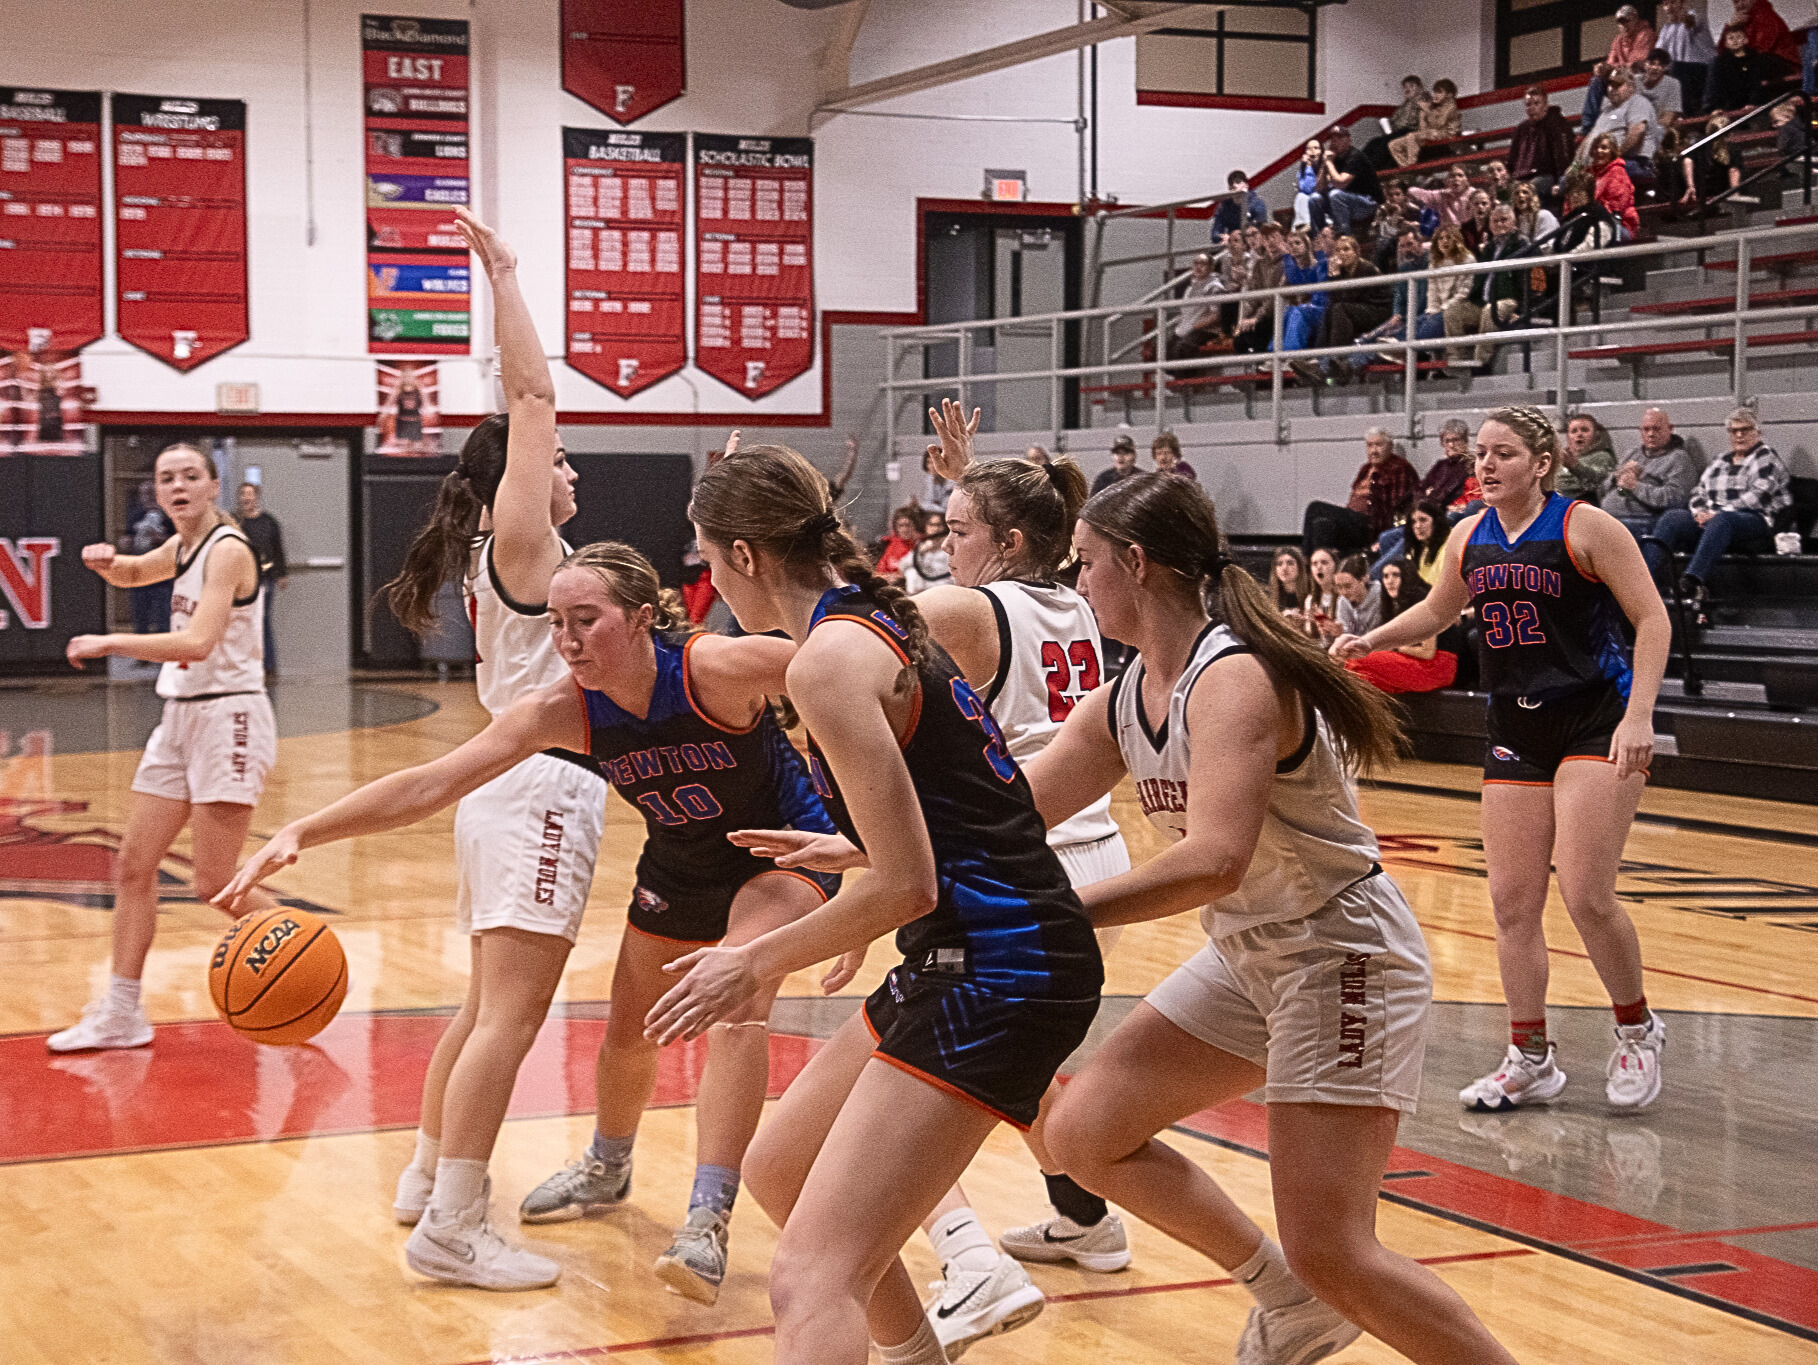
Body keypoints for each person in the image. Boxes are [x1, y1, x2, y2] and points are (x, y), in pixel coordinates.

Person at [222, 540, 842, 1299]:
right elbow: (432, 783)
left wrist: (869, 831)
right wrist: (303, 830)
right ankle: (608, 1163)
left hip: (786, 852)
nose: (568, 640)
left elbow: (853, 663)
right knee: (630, 1031)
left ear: (641, 618)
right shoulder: (564, 709)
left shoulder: (713, 667)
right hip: (680, 866)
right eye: (555, 623)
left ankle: (706, 1217)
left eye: (587, 619)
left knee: (735, 997)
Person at [1032, 473, 1519, 1365]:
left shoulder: (1234, 679)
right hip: (1251, 952)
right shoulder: (1127, 694)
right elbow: (1008, 813)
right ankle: (1290, 1302)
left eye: (1086, 562)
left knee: (1336, 1248)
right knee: (1081, 1133)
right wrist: (871, 850)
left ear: (1136, 563)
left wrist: (1056, 913)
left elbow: (1213, 858)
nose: (1077, 581)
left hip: (1339, 952)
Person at [647, 443, 1103, 1365]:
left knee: (809, 1276)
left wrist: (750, 960)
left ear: (745, 555)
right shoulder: (865, 622)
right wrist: (852, 846)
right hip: (972, 946)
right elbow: (966, 809)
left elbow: (909, 884)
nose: (709, 580)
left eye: (709, 557)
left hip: (1001, 962)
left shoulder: (830, 659)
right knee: (781, 1167)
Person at [246, 207, 611, 1291]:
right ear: (518, 477)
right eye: (560, 461)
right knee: (513, 1015)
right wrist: (506, 277)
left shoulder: (516, 552)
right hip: (538, 790)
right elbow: (533, 397)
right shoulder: (527, 541)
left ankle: (422, 1176)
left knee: (481, 1008)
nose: (571, 471)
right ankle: (453, 1224)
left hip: (506, 788)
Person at [880, 403, 1134, 1355]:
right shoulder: (1072, 599)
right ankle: (1087, 1215)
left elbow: (851, 626)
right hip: (1087, 846)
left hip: (1019, 865)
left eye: (956, 531)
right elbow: (1018, 553)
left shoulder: (965, 611)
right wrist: (972, 479)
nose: (943, 547)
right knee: (1018, 1066)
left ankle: (967, 1259)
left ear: (1009, 540)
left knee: (897, 1068)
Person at [1333, 406, 1670, 1116]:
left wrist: (1640, 714)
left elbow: (1652, 618)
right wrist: (1371, 640)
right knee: (1513, 904)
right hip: (1515, 723)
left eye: (1503, 453)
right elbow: (1437, 612)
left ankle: (1638, 1028)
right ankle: (1530, 1057)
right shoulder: (1468, 535)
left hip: (1593, 718)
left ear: (1541, 463)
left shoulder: (1584, 527)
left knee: (1586, 893)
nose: (1485, 465)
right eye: (1479, 453)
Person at [51, 442, 275, 1051]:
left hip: (229, 716)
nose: (177, 486)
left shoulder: (227, 550)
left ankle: (311, 951)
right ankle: (122, 1012)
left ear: (213, 486)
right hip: (180, 717)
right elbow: (134, 572)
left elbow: (198, 643)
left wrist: (109, 642)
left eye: (190, 476)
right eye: (166, 477)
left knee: (215, 881)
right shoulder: (181, 546)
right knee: (133, 864)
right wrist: (106, 563)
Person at [1643, 407, 1792, 603]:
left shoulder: (1766, 458)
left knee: (1723, 519)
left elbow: (1757, 497)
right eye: (1734, 431)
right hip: (1714, 519)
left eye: (1745, 430)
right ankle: (1645, 582)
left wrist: (1716, 514)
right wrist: (1699, 512)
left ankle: (1691, 580)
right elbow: (1698, 492)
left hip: (1753, 519)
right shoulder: (1719, 460)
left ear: (1758, 432)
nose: (1739, 435)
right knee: (1672, 518)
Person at [1343, 559, 1457, 694]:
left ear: (1407, 577)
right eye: (1385, 576)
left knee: (1356, 663)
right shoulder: (1392, 604)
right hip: (1414, 661)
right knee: (1358, 673)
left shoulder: (1422, 600)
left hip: (1437, 667)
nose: (1389, 581)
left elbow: (1427, 652)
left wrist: (1395, 647)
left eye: (1395, 575)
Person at [1301, 428, 1418, 559]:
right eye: (1370, 445)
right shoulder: (1366, 468)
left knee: (1315, 507)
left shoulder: (1400, 468)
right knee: (1321, 523)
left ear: (1390, 447)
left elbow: (1399, 507)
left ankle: (1305, 559)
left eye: (1378, 445)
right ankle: (1319, 563)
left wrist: (1386, 535)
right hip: (1353, 522)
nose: (1374, 451)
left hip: (1371, 524)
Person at [1443, 204, 1528, 369]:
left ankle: (1481, 363)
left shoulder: (1522, 244)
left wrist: (1523, 311)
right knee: (1452, 312)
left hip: (1509, 300)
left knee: (1491, 311)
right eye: (1495, 221)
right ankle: (1457, 361)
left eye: (1504, 220)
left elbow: (1534, 279)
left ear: (1513, 223)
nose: (1499, 224)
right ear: (1490, 225)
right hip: (1482, 301)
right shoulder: (1489, 248)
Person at [1601, 407, 1700, 539]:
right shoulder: (1633, 453)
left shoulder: (1679, 459)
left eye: (1656, 429)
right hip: (1609, 515)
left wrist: (1636, 486)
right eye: (1646, 429)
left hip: (1645, 521)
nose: (1651, 434)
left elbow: (1676, 499)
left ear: (1670, 429)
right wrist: (1616, 477)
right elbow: (1603, 490)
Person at [1315, 235, 1393, 383]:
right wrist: (1333, 276)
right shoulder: (1342, 272)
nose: (1342, 253)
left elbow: (1349, 298)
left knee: (1340, 309)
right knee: (1330, 309)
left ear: (1357, 252)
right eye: (1338, 250)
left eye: (1346, 249)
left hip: (1378, 310)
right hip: (1357, 310)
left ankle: (1336, 357)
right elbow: (1335, 299)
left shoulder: (1367, 269)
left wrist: (1335, 277)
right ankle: (1319, 357)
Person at [1580, 5, 1658, 136]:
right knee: (1596, 81)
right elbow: (1611, 63)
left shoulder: (1645, 34)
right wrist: (1602, 69)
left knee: (1632, 78)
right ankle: (1587, 127)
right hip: (1621, 80)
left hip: (1640, 81)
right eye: (1621, 22)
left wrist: (1612, 68)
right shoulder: (1618, 40)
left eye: (1627, 21)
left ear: (1635, 19)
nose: (1624, 25)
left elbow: (1636, 63)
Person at [235, 482, 287, 678]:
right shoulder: (234, 521)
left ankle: (267, 663)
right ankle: (243, 662)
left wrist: (281, 574)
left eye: (250, 494)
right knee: (241, 620)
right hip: (241, 577)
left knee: (262, 618)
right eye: (243, 494)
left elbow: (278, 549)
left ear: (257, 497)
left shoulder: (269, 522)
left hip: (265, 578)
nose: (247, 498)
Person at [1581, 68, 1660, 182]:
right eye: (1610, 85)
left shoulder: (1638, 102)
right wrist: (1576, 165)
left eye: (1617, 85)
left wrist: (1614, 157)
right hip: (1602, 165)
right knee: (1565, 181)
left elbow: (1637, 131)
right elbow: (1590, 138)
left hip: (1634, 162)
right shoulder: (1606, 111)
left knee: (1602, 177)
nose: (1612, 89)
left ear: (1631, 87)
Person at [1308, 125, 1382, 238]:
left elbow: (1340, 183)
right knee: (1314, 198)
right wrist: (1323, 164)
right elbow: (1319, 188)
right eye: (1333, 139)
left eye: (1339, 138)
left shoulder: (1356, 157)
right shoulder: (1334, 159)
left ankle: (1344, 236)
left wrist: (1328, 163)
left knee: (1335, 194)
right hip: (1346, 203)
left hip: (1367, 204)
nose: (1335, 142)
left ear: (1348, 139)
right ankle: (1318, 239)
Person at [123, 478, 174, 635]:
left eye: (152, 493)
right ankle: (141, 647)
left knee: (163, 617)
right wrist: (125, 542)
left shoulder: (169, 516)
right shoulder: (135, 516)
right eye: (145, 494)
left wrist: (161, 539)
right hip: (140, 572)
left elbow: (180, 542)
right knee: (140, 617)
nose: (148, 497)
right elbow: (127, 537)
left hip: (162, 574)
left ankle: (163, 647)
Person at [1509, 87, 1578, 202]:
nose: (1532, 107)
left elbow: (1563, 156)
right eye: (1528, 104)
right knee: (1508, 190)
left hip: (1546, 176)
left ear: (1545, 106)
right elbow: (1512, 158)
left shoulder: (1557, 124)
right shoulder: (1521, 128)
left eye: (1536, 103)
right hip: (1522, 176)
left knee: (1528, 189)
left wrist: (1560, 181)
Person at [1232, 222, 1288, 355]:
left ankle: (1268, 364)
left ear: (1282, 237)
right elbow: (1253, 294)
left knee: (1257, 330)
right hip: (1264, 313)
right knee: (1239, 339)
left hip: (1280, 311)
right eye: (1267, 238)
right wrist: (1244, 319)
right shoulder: (1260, 264)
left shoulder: (1288, 261)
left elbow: (1276, 296)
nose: (1271, 241)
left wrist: (1257, 317)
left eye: (1274, 237)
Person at [1706, 23, 1783, 115]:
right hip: (1730, 107)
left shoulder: (1758, 59)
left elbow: (1759, 83)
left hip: (1757, 105)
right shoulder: (1719, 63)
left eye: (1738, 37)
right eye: (1731, 38)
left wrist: (1754, 102)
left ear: (1746, 40)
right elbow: (1714, 88)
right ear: (1726, 43)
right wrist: (1715, 108)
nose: (1735, 41)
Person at [1658, 0, 1717, 115]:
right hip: (1679, 73)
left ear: (1683, 3)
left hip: (1702, 72)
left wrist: (1685, 17)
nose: (1669, 7)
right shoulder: (1666, 29)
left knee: (1676, 67)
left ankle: (1682, 112)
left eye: (1673, 2)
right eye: (1666, 4)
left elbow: (1692, 21)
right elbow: (1659, 53)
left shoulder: (1695, 16)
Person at [1277, 228, 1329, 357]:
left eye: (1297, 243)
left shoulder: (1316, 265)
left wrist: (1287, 257)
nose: (1293, 247)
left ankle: (1292, 355)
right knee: (1288, 310)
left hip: (1321, 309)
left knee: (1296, 311)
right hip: (1305, 309)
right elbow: (1285, 288)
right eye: (1290, 244)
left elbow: (1299, 281)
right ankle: (1275, 354)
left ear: (1307, 245)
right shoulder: (1291, 269)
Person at [1390, 77, 1461, 167]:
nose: (1435, 95)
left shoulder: (1450, 107)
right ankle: (1405, 168)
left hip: (1446, 134)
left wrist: (1427, 110)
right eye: (1435, 92)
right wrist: (1422, 114)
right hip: (1432, 134)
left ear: (1449, 95)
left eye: (1439, 92)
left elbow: (1438, 124)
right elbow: (1423, 128)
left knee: (1412, 136)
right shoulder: (1436, 106)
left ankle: (1411, 166)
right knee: (1393, 145)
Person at [1168, 252, 1225, 359]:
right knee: (1162, 347)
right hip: (1188, 328)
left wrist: (1195, 326)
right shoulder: (1189, 288)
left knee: (1182, 348)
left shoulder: (1214, 287)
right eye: (1196, 263)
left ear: (1211, 267)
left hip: (1206, 330)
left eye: (1203, 264)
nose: (1198, 267)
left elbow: (1216, 316)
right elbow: (1185, 312)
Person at [1365, 75, 1429, 169]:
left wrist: (1415, 101)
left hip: (1412, 130)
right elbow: (1395, 120)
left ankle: (1371, 168)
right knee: (1374, 142)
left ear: (1420, 87)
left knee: (1386, 144)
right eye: (1405, 87)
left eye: (1411, 86)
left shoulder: (1424, 100)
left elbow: (1414, 120)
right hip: (1399, 131)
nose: (1408, 89)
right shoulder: (1404, 105)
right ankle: (1358, 166)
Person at [1557, 413, 1619, 503]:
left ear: (1595, 435)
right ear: (1568, 436)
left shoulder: (1602, 456)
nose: (1579, 434)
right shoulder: (1562, 458)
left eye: (1584, 430)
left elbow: (1599, 481)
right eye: (1574, 431)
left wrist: (1576, 467)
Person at [1407, 163, 1477, 230]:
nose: (1456, 179)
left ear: (1467, 180)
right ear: (1448, 181)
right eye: (1452, 176)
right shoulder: (1443, 195)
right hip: (1451, 235)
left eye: (1460, 175)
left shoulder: (1476, 195)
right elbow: (1413, 191)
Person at [1210, 170, 1268, 245]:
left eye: (1238, 182)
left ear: (1246, 185)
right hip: (1234, 245)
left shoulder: (1257, 204)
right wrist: (1225, 238)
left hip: (1254, 244)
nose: (1234, 185)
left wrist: (1236, 238)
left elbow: (1262, 230)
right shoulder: (1224, 207)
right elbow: (1215, 234)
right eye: (1231, 184)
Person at [1734, 0, 1800, 65]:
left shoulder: (1765, 17)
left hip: (1784, 65)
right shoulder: (1744, 22)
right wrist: (1732, 27)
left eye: (1743, 0)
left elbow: (1760, 50)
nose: (1740, 5)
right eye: (1736, 2)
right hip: (1767, 63)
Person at [1332, 553, 1384, 635]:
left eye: (1348, 586)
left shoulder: (1381, 596)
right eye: (1339, 587)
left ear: (1364, 578)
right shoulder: (1342, 601)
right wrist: (1332, 634)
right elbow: (1345, 634)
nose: (1343, 592)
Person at [904, 509, 954, 593]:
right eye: (931, 525)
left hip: (943, 586)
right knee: (911, 573)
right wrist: (920, 552)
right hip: (922, 588)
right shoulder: (922, 545)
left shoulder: (950, 547)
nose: (935, 528)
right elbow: (903, 566)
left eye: (938, 525)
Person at [1639, 48, 1686, 133]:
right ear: (1644, 64)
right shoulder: (1634, 81)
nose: (1655, 68)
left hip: (1656, 131)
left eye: (1661, 65)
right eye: (1651, 63)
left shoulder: (1673, 84)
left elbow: (1668, 117)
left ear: (1666, 68)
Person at [1304, 546, 1344, 641]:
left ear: (1335, 567)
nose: (1319, 567)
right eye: (1314, 564)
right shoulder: (1310, 599)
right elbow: (1311, 636)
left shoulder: (1344, 596)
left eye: (1324, 562)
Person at [877, 505, 923, 578]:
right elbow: (879, 572)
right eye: (901, 526)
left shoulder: (922, 545)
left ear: (915, 525)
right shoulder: (894, 544)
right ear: (896, 527)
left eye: (908, 525)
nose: (904, 529)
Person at [1510, 180, 1560, 244]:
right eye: (1517, 193)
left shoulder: (1544, 215)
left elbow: (1548, 242)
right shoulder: (1514, 222)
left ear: (1533, 197)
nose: (1520, 195)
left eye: (1525, 192)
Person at [1270, 545, 1312, 615]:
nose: (1284, 568)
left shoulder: (1312, 593)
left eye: (1290, 563)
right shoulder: (1269, 597)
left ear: (1300, 567)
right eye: (1279, 564)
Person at [1292, 139, 1323, 230]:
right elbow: (1305, 188)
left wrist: (1315, 166)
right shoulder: (1305, 168)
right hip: (1307, 199)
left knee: (1313, 197)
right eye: (1309, 149)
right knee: (1301, 196)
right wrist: (1305, 167)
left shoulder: (1326, 165)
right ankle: (1303, 225)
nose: (1312, 151)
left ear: (1321, 151)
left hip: (1321, 199)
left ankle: (1308, 225)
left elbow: (1318, 187)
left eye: (1316, 148)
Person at [1460, 188, 1496, 256]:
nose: (1480, 207)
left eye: (1484, 203)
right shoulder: (1465, 227)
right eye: (1476, 204)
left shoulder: (1496, 225)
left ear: (1491, 206)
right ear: (1470, 207)